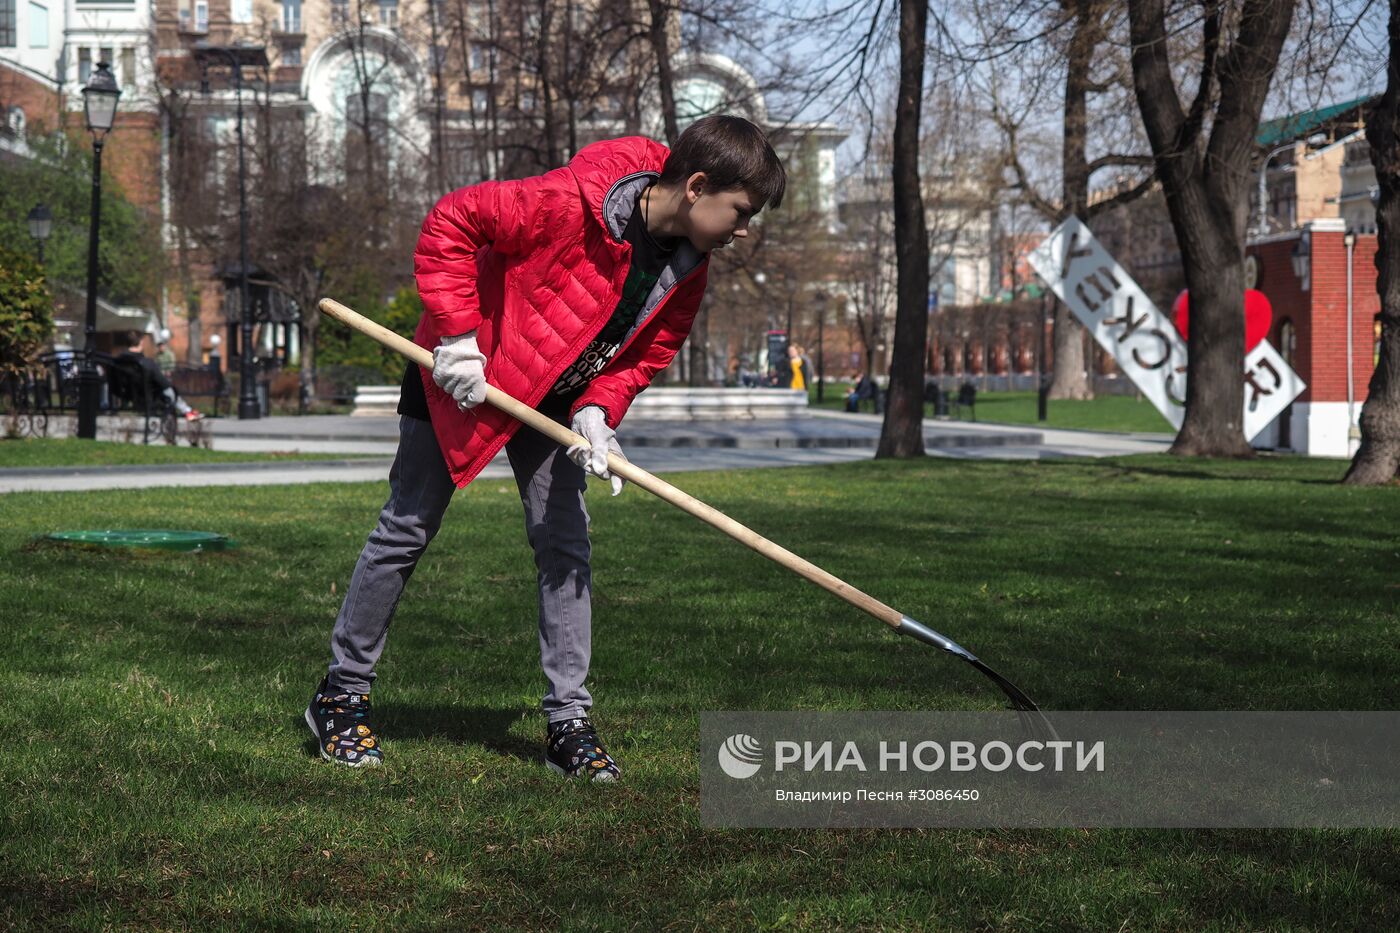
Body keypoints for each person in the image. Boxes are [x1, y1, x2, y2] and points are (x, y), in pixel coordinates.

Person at [306, 115, 786, 779]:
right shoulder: (569, 203)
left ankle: (569, 722)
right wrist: (455, 338)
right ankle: (340, 696)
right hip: (463, 374)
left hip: (557, 397)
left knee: (565, 545)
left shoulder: (688, 266)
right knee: (405, 530)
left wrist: (597, 410)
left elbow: (645, 354)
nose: (742, 230)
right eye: (740, 212)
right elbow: (453, 219)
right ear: (698, 185)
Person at [112, 330, 202, 421]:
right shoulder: (146, 363)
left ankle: (188, 411)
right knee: (169, 390)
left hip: (125, 394)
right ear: (141, 343)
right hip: (146, 397)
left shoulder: (118, 361)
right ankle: (187, 411)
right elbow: (163, 383)